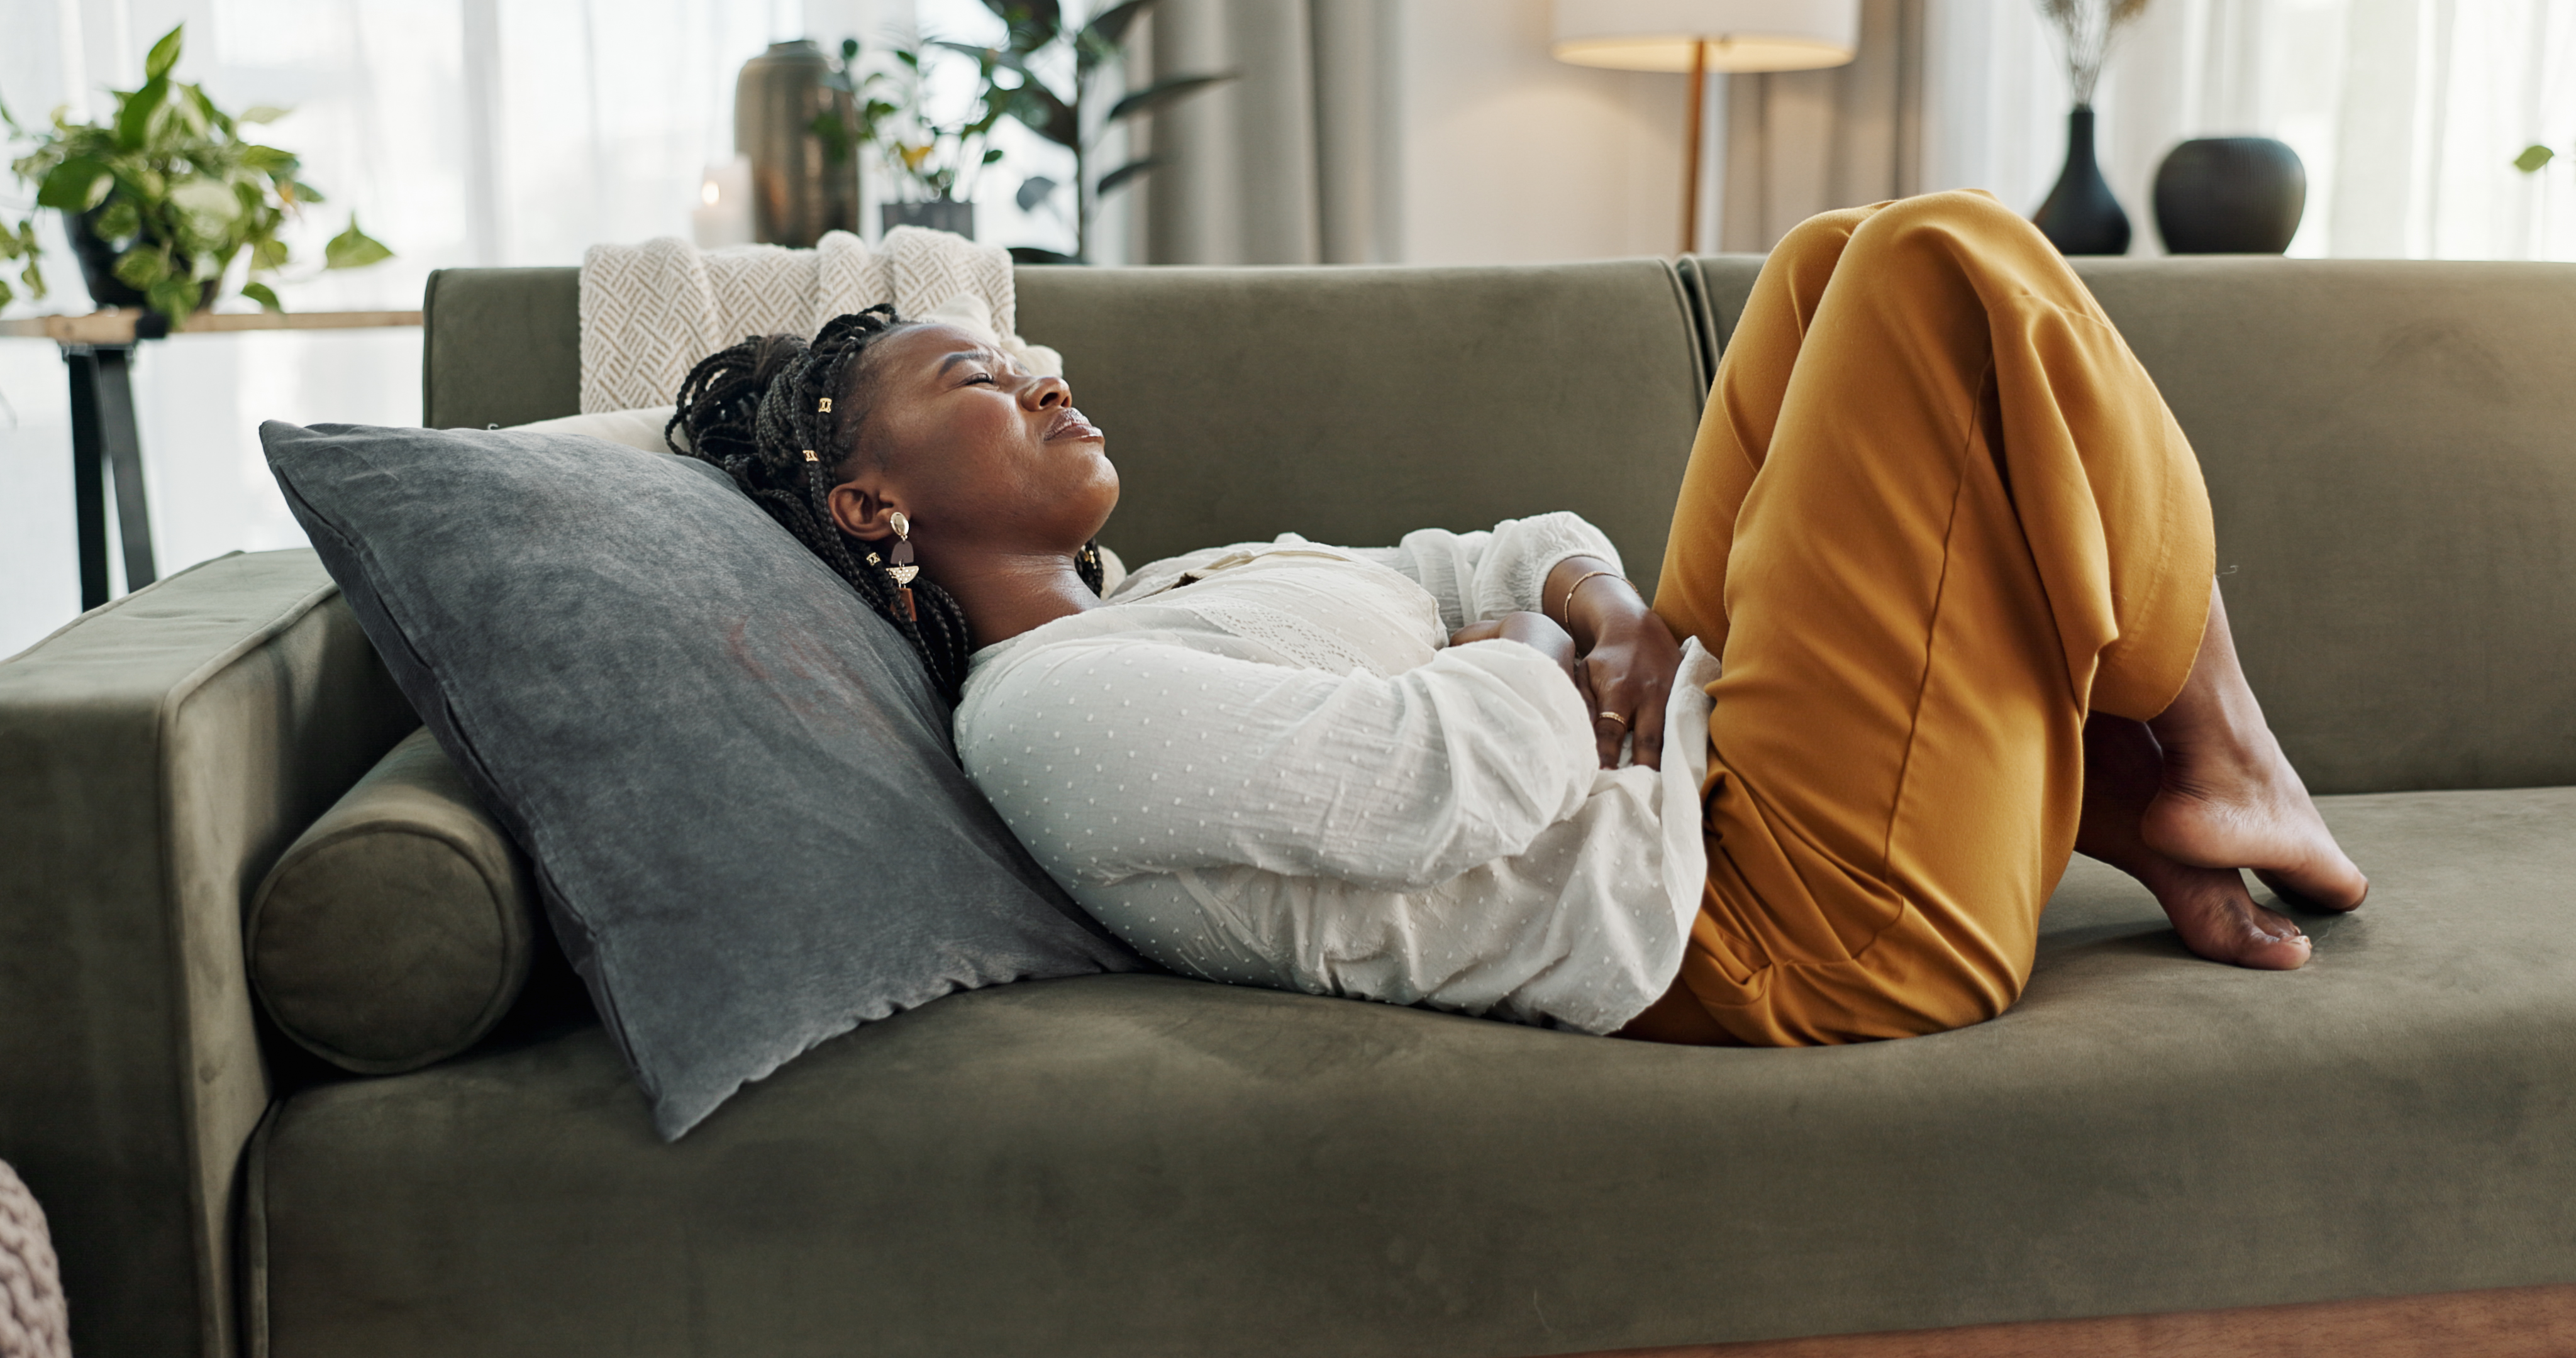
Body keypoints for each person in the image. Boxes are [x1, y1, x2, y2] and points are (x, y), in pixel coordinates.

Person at [670, 189, 2367, 1047]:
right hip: (1777, 917)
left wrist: (1588, 610)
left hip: (1705, 754)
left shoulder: (1189, 591)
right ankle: (2203, 743)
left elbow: (1486, 553)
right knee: (1936, 267)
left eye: (1027, 352)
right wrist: (1553, 652)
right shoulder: (1049, 718)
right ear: (871, 508)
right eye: (977, 375)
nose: (1043, 371)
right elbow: (1447, 785)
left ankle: (2110, 777)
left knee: (1830, 257)